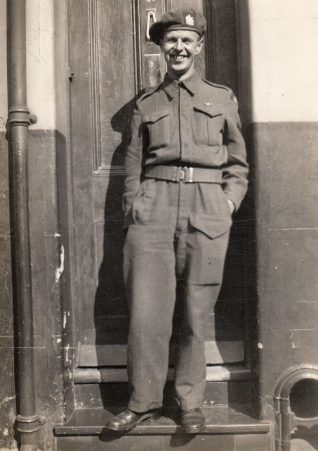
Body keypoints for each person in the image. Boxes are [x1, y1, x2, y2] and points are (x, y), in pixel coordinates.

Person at [105, 8, 249, 434]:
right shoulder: (147, 104)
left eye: (187, 40)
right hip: (154, 207)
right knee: (146, 312)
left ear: (199, 47)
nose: (179, 48)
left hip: (207, 208)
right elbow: (133, 163)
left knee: (195, 310)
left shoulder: (221, 98)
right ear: (161, 49)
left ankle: (189, 402)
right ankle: (143, 401)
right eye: (171, 41)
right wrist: (137, 206)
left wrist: (227, 204)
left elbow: (238, 163)